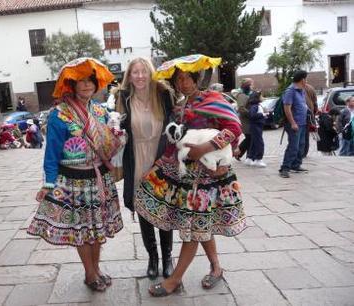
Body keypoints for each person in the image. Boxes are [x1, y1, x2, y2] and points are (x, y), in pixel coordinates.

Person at [135, 68, 246, 297]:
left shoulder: (213, 99)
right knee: (200, 224)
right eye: (178, 80)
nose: (182, 83)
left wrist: (206, 148)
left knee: (195, 226)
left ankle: (174, 280)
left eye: (186, 78)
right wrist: (158, 165)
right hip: (187, 176)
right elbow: (173, 141)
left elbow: (234, 128)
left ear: (197, 79)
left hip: (211, 174)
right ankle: (216, 267)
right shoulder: (179, 107)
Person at [27, 58, 123, 292]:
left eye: (90, 81)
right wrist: (48, 184)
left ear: (95, 84)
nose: (86, 86)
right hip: (74, 182)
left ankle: (97, 268)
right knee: (82, 230)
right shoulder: (59, 115)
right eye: (80, 82)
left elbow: (111, 138)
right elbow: (51, 153)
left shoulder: (101, 111)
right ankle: (90, 274)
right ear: (72, 85)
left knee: (97, 229)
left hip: (99, 178)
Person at [114, 58, 175, 279]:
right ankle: (153, 257)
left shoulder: (163, 94)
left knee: (164, 210)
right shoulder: (123, 98)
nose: (139, 76)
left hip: (160, 160)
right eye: (134, 72)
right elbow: (118, 127)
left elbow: (173, 124)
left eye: (143, 72)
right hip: (137, 158)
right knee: (144, 210)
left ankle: (168, 257)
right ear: (129, 76)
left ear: (150, 74)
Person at [279, 70, 309, 178]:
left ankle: (296, 165)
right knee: (293, 146)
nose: (306, 81)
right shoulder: (290, 91)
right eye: (306, 79)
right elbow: (287, 108)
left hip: (302, 123)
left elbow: (302, 105)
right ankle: (284, 168)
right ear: (302, 79)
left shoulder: (301, 90)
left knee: (301, 145)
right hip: (294, 124)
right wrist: (293, 123)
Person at [234, 78, 254, 163]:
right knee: (250, 138)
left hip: (250, 120)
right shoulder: (241, 95)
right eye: (251, 84)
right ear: (247, 85)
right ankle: (240, 154)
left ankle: (245, 155)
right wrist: (251, 113)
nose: (252, 86)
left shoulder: (248, 94)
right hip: (246, 121)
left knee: (250, 138)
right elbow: (241, 108)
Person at [247, 91, 267, 167]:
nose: (262, 97)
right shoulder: (255, 106)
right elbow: (252, 115)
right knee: (259, 143)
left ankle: (250, 158)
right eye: (261, 96)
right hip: (256, 126)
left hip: (256, 126)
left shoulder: (255, 105)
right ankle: (258, 159)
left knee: (254, 143)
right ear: (257, 98)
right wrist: (262, 114)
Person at [302, 83, 318, 158]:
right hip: (309, 114)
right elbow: (315, 102)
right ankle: (304, 152)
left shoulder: (299, 88)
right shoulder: (311, 87)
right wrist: (314, 113)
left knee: (301, 134)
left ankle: (302, 153)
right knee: (306, 135)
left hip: (302, 114)